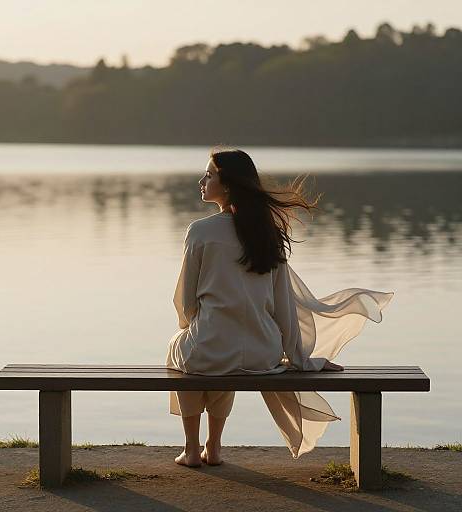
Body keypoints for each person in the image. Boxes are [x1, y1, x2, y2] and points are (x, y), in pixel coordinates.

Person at [166, 147, 394, 468]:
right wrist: (299, 357)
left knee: (187, 351)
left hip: (214, 348)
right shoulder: (266, 234)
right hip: (262, 354)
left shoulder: (200, 232)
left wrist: (190, 325)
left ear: (228, 184)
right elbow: (285, 308)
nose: (201, 180)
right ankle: (214, 446)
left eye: (209, 175)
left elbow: (184, 301)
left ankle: (192, 450)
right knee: (226, 352)